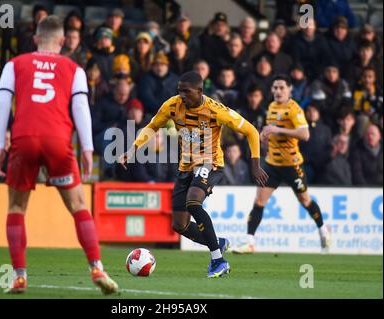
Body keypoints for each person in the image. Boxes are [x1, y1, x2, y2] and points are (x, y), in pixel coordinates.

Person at [0, 16, 118, 295]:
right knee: (78, 205)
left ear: (36, 39)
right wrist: (87, 148)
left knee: (16, 207)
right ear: (63, 41)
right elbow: (82, 108)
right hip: (58, 140)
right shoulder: (74, 68)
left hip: (24, 137)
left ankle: (20, 276)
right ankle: (96, 266)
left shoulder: (15, 64)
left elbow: (1, 103)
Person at [118, 71, 268, 278]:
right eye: (180, 91)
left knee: (193, 202)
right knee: (179, 225)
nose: (182, 96)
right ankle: (218, 243)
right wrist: (132, 149)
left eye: (186, 92)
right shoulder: (172, 105)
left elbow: (251, 131)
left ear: (199, 91)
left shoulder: (216, 110)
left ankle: (218, 261)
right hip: (185, 167)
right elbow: (152, 126)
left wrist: (255, 165)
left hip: (211, 163)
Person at [233, 74, 331, 255]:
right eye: (275, 88)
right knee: (259, 201)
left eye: (281, 88)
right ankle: (249, 242)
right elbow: (273, 134)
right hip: (272, 164)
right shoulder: (271, 107)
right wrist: (265, 137)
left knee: (305, 200)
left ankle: (323, 229)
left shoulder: (295, 110)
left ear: (289, 89)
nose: (278, 91)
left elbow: (305, 134)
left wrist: (276, 129)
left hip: (292, 164)